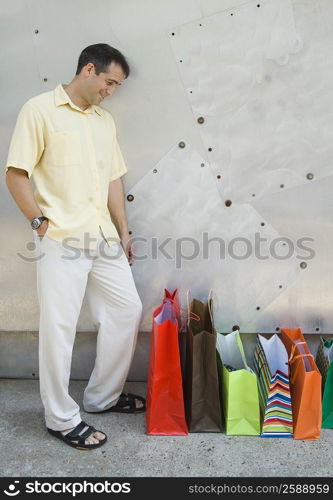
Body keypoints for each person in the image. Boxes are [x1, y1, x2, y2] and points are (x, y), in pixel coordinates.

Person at [4, 43, 145, 450]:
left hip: (102, 236)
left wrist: (124, 230)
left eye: (116, 86)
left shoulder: (104, 121)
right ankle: (60, 418)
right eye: (109, 82)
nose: (111, 92)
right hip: (61, 238)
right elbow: (16, 175)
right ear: (88, 69)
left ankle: (102, 397)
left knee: (126, 309)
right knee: (59, 327)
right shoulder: (39, 110)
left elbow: (114, 180)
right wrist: (40, 224)